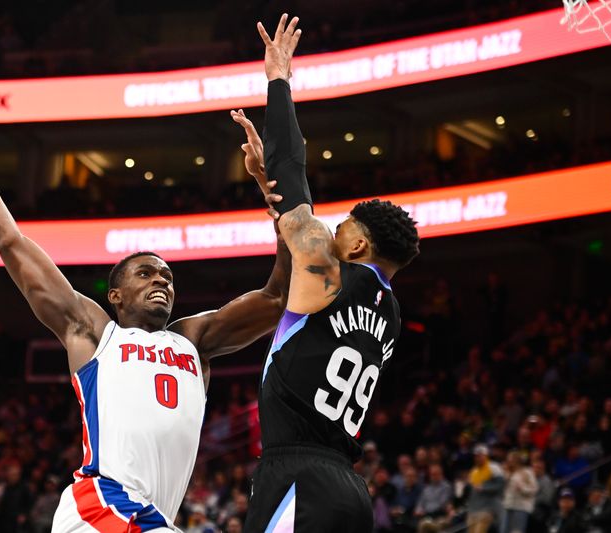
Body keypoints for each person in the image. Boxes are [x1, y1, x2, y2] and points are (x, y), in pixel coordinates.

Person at [0, 107, 291, 532]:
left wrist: (277, 196)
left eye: (167, 277)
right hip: (101, 506)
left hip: (151, 518)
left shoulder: (195, 339)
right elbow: (9, 241)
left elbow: (278, 297)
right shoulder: (94, 331)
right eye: (146, 274)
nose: (161, 282)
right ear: (115, 295)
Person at [235, 14, 420, 532]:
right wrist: (267, 188)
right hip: (346, 487)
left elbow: (293, 177)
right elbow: (299, 253)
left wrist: (278, 80)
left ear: (359, 243)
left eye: (341, 228)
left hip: (298, 477)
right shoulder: (391, 314)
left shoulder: (333, 273)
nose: (328, 232)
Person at [466, 444, 505, 533]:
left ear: (486, 455)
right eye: (476, 456)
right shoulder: (474, 471)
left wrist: (484, 488)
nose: (478, 458)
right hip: (473, 510)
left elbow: (500, 485)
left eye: (480, 456)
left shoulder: (494, 467)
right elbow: (472, 492)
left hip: (487, 509)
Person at [501, 451, 538, 533]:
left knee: (517, 531)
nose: (508, 461)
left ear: (517, 460)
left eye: (510, 459)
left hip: (521, 507)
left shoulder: (527, 472)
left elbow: (534, 489)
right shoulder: (508, 472)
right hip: (508, 505)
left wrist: (523, 489)